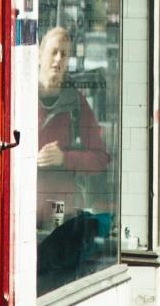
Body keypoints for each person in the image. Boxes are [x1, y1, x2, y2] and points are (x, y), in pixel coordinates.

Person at [36, 27, 111, 286]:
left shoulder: (77, 104)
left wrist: (64, 159)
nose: (58, 60)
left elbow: (101, 159)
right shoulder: (18, 97)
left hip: (62, 228)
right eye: (53, 52)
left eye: (64, 55)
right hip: (22, 221)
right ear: (39, 54)